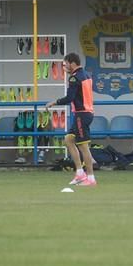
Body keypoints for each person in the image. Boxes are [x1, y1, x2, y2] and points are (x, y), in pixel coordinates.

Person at [45, 52, 96, 186]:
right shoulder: (86, 75)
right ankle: (80, 173)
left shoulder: (74, 78)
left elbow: (69, 98)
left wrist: (54, 102)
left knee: (83, 146)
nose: (64, 67)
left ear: (72, 63)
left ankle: (90, 178)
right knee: (68, 140)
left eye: (65, 64)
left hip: (82, 114)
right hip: (86, 114)